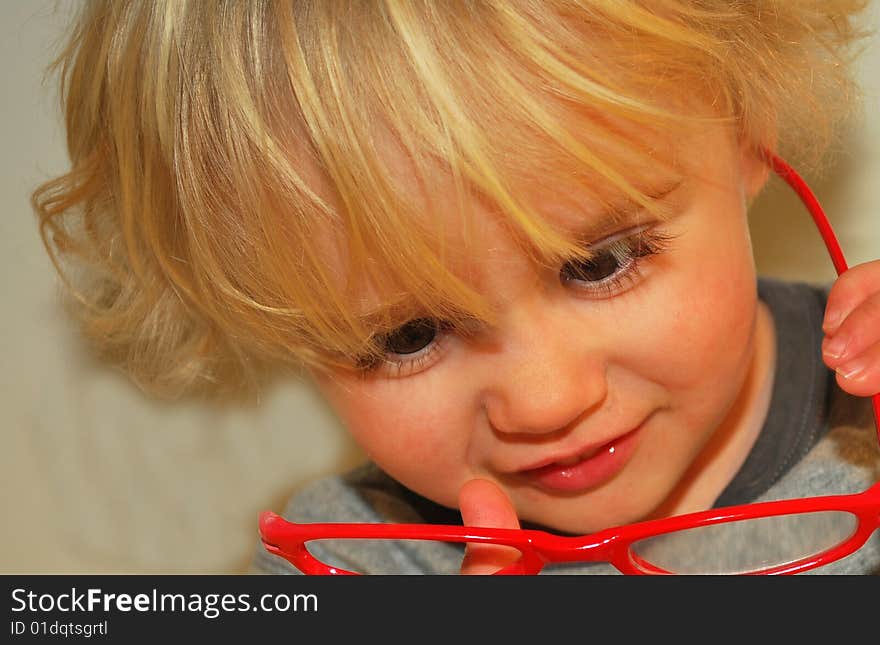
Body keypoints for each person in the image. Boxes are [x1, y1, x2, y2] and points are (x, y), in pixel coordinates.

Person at [32, 0, 880, 575]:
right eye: (408, 335)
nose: (544, 401)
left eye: (600, 262)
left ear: (746, 133)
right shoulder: (345, 563)